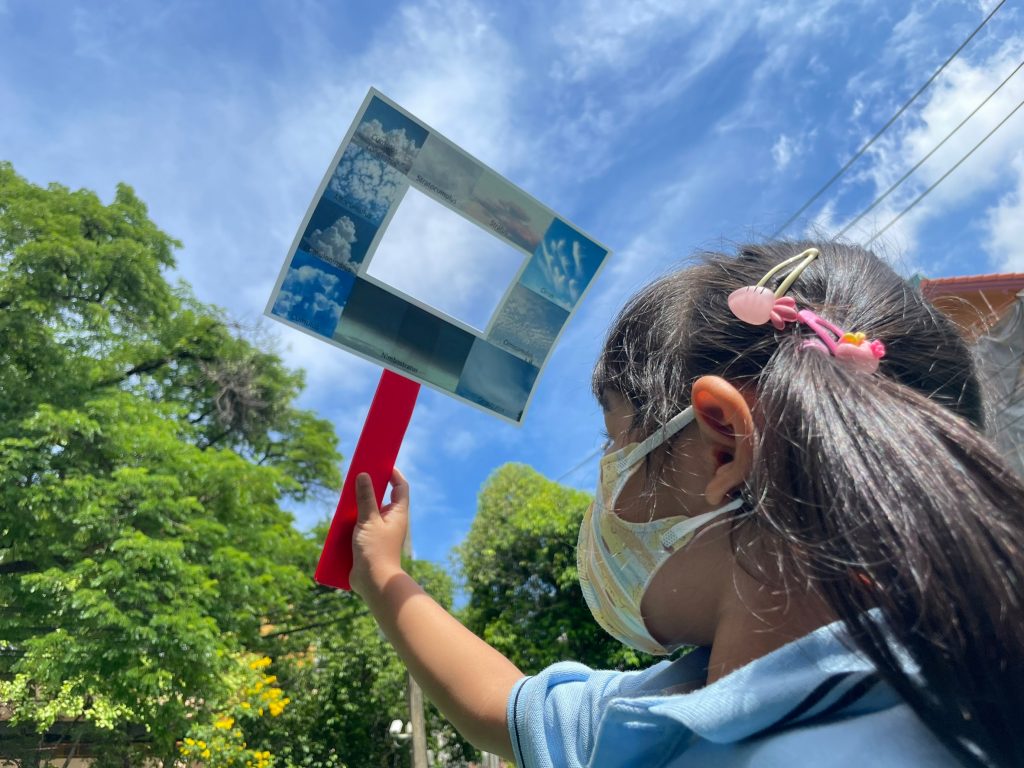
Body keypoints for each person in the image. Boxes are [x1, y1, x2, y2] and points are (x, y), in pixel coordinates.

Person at [350, 241, 1024, 767]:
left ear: (722, 443)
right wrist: (381, 573)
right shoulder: (669, 703)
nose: (605, 483)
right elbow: (501, 706)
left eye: (616, 442)